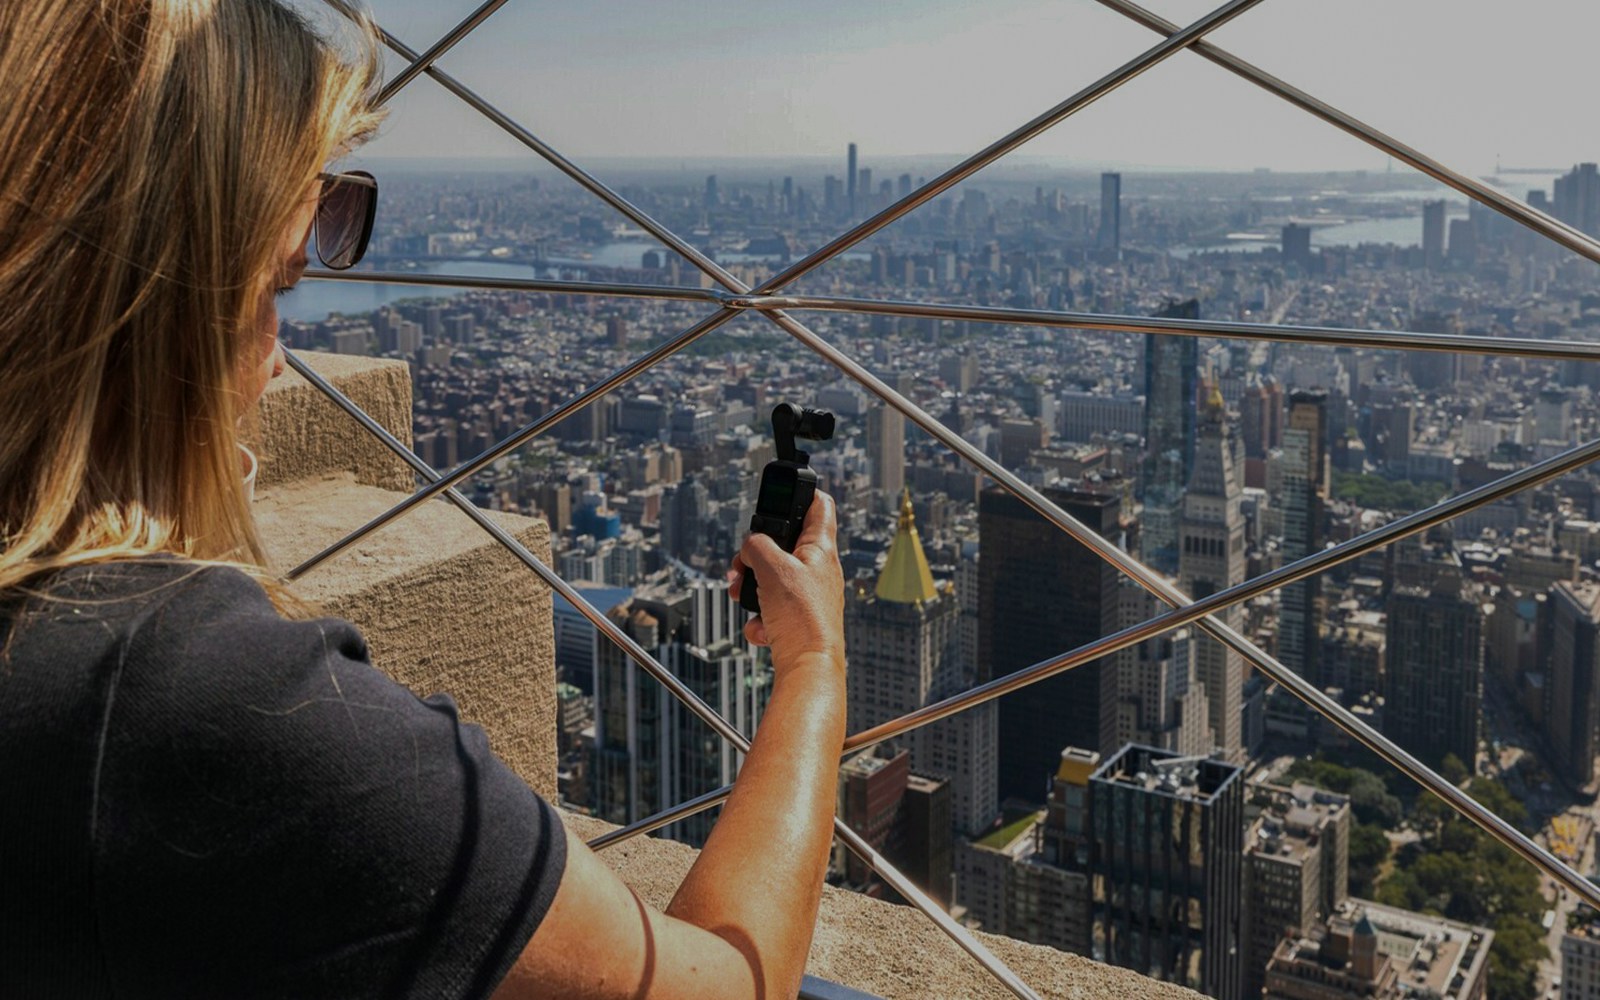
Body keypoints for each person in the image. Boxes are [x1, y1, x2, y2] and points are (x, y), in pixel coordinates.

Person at [0, 2, 847, 998]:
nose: (280, 361)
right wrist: (814, 665)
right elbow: (728, 987)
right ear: (152, 306)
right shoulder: (213, 709)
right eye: (273, 286)